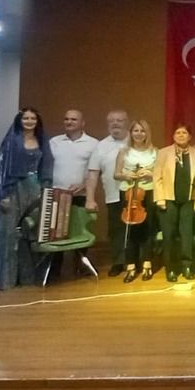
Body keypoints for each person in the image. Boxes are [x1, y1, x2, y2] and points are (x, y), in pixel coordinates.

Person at [0, 107, 54, 291]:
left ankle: (28, 277)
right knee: (8, 234)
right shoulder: (11, 141)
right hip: (13, 190)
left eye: (32, 118)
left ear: (37, 121)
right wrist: (3, 195)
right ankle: (6, 279)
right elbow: (2, 169)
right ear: (20, 120)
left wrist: (45, 189)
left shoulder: (42, 140)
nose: (29, 121)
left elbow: (46, 167)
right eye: (25, 118)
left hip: (34, 190)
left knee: (30, 233)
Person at [47, 109, 99, 278]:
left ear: (82, 123)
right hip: (57, 195)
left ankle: (81, 266)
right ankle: (54, 270)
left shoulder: (93, 144)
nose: (69, 122)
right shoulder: (54, 142)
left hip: (80, 195)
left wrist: (83, 185)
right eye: (66, 119)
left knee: (80, 231)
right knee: (56, 233)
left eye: (74, 119)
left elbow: (96, 171)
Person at [113, 119, 159, 283]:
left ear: (147, 133)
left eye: (142, 131)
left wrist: (151, 174)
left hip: (148, 192)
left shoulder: (155, 151)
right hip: (129, 193)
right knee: (129, 230)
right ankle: (131, 266)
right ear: (131, 133)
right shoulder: (124, 151)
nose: (139, 134)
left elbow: (161, 173)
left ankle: (147, 264)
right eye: (136, 131)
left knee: (148, 230)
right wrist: (126, 175)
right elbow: (116, 174)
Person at [84, 110, 129, 276]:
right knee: (116, 230)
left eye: (119, 120)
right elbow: (93, 174)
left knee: (137, 230)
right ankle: (118, 262)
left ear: (127, 122)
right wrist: (90, 199)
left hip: (136, 195)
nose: (115, 124)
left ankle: (135, 262)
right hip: (113, 195)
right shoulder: (100, 146)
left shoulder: (136, 140)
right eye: (112, 121)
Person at [152, 123, 195, 282]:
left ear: (190, 136)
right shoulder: (163, 153)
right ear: (173, 136)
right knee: (169, 235)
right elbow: (157, 177)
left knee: (187, 235)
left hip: (188, 200)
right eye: (178, 132)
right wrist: (160, 198)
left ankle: (187, 266)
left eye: (184, 133)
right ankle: (170, 269)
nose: (181, 135)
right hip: (168, 200)